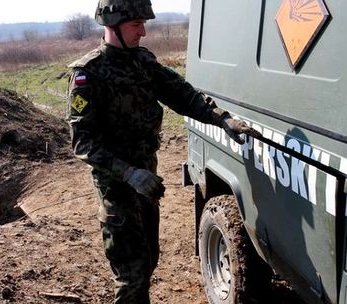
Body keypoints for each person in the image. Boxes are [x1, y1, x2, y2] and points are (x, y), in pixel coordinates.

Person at [66, 0, 261, 303]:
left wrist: (222, 119)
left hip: (147, 186)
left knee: (149, 261)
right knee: (132, 278)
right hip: (117, 192)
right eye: (136, 25)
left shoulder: (143, 63)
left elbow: (182, 95)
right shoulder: (87, 75)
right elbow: (84, 143)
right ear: (112, 24)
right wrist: (130, 174)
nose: (143, 32)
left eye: (144, 24)